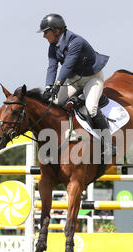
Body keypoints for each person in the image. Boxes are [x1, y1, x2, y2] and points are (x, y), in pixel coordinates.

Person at [37, 13, 116, 156]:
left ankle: (109, 144)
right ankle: (65, 135)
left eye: (45, 32)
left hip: (92, 78)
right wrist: (49, 86)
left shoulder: (76, 42)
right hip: (74, 80)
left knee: (91, 108)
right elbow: (52, 66)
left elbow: (67, 66)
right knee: (55, 104)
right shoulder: (53, 46)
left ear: (56, 31)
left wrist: (58, 84)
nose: (44, 36)